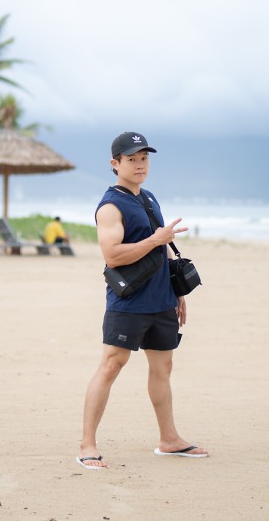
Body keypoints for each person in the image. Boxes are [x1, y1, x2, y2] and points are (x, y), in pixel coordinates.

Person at [76, 131, 208, 469]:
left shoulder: (149, 198)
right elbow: (113, 255)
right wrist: (156, 239)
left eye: (144, 158)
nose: (140, 165)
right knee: (111, 365)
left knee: (163, 367)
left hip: (162, 299)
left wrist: (176, 292)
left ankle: (169, 439)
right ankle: (87, 445)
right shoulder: (110, 206)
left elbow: (162, 250)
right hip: (129, 302)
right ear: (115, 163)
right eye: (132, 159)